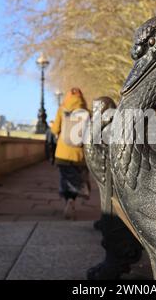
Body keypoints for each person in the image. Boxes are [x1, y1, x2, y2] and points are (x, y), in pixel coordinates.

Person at [51, 88, 90, 219]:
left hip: (63, 152)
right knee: (76, 179)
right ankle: (72, 200)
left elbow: (55, 129)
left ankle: (67, 200)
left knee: (65, 178)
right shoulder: (86, 112)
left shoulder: (62, 109)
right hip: (79, 153)